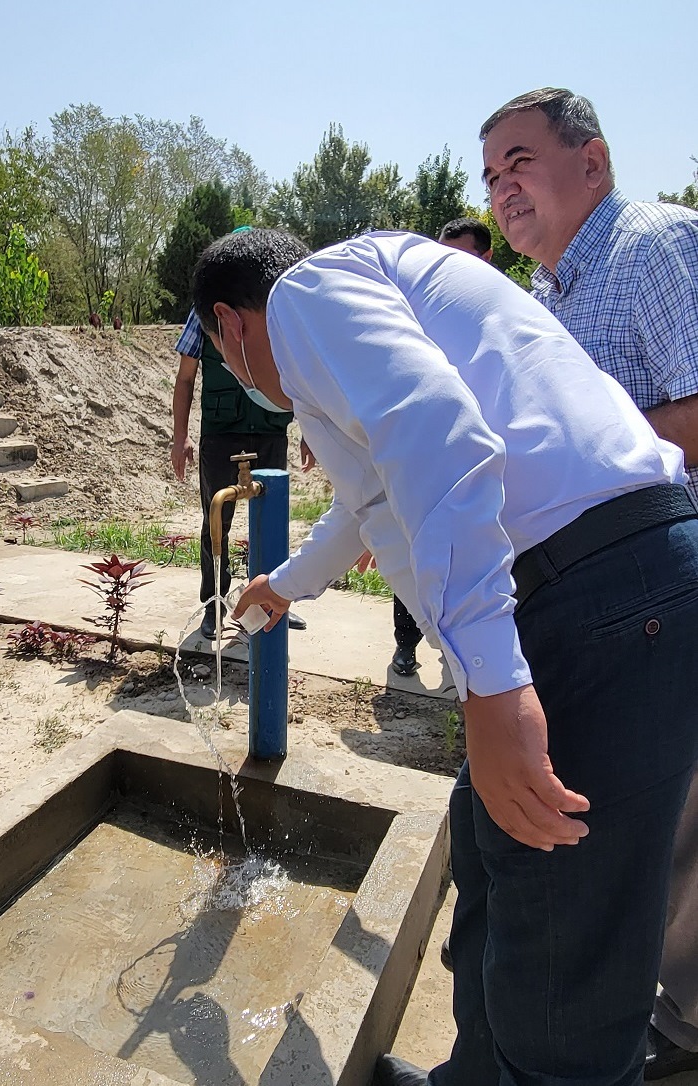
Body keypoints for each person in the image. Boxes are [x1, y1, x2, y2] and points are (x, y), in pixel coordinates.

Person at [191, 226, 698, 1086]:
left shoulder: (304, 298)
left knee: (565, 966)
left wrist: (493, 684)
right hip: (624, 586)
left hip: (596, 598)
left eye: (218, 352)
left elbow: (439, 436)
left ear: (230, 326)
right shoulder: (368, 297)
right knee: (493, 858)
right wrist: (282, 585)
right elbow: (375, 495)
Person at [481, 86, 698, 1082]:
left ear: (592, 164)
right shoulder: (540, 298)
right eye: (489, 176)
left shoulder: (646, 249)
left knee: (669, 837)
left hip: (663, 584)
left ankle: (668, 1035)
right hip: (596, 606)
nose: (500, 188)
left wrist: (577, 470)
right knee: (624, 841)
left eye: (517, 161)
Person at [383, 216, 495, 677]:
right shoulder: (421, 312)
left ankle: (470, 653)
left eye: (460, 257)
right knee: (415, 546)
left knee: (477, 555)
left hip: (483, 455)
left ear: (486, 259)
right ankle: (406, 643)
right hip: (430, 450)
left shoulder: (503, 309)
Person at [171, 305, 309, 641]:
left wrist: (310, 431)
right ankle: (214, 605)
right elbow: (186, 376)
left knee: (271, 524)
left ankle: (271, 601)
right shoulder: (203, 313)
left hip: (270, 429)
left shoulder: (277, 306)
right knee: (216, 522)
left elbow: (302, 373)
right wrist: (180, 436)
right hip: (222, 433)